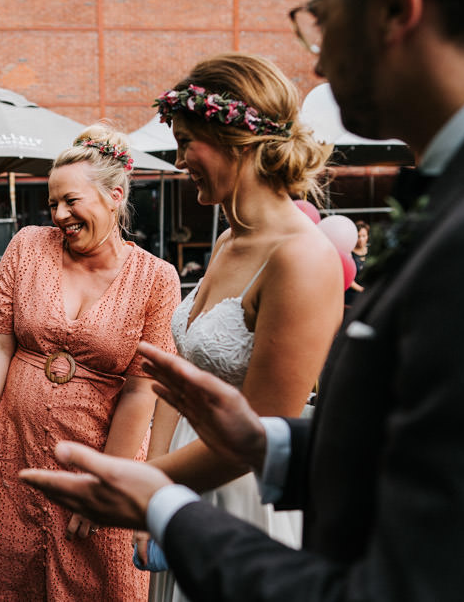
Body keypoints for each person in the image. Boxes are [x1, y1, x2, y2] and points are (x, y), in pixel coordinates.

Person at [21, 0, 464, 599]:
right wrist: (268, 443)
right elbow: (405, 439)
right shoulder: (446, 198)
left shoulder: (452, 233)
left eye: (319, 16)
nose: (315, 57)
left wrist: (163, 500)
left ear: (392, 5)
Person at [0, 124, 181, 601]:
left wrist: (105, 486)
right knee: (10, 577)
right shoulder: (27, 247)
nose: (59, 215)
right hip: (16, 456)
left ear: (115, 195)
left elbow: (141, 390)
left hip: (100, 460)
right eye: (53, 203)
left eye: (71, 201)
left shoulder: (156, 279)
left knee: (99, 579)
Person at [141, 53, 343, 602]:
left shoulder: (301, 259)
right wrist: (156, 476)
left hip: (244, 494)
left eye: (188, 142)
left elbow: (264, 427)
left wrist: (146, 490)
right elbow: (184, 379)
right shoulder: (229, 241)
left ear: (237, 140)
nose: (180, 157)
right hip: (189, 473)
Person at [344, 220, 369, 304]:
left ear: (368, 236)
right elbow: (348, 279)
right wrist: (362, 290)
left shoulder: (371, 252)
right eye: (358, 236)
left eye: (364, 236)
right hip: (352, 297)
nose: (361, 239)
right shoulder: (349, 253)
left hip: (368, 295)